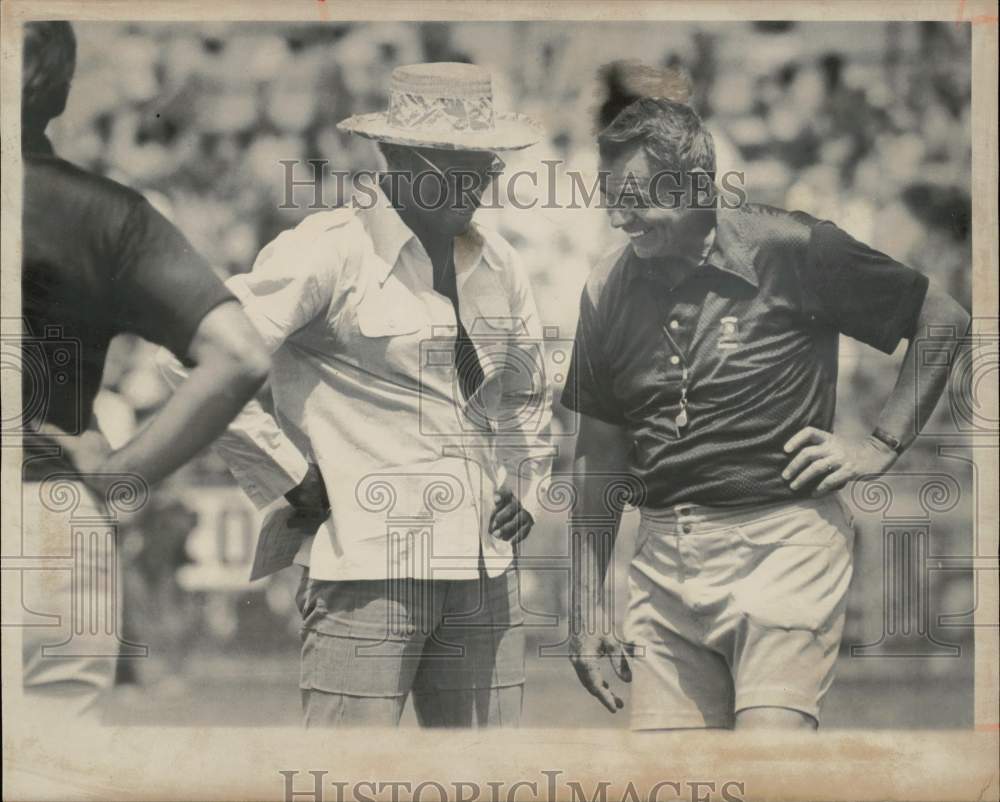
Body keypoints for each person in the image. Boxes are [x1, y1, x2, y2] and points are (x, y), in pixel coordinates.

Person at [160, 62, 552, 727]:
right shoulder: (330, 252)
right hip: (368, 570)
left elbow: (528, 390)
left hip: (486, 574)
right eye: (456, 164)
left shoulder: (500, 260)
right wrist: (288, 477)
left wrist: (528, 482)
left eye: (486, 164)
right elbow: (194, 355)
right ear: (396, 158)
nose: (479, 183)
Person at [563, 97, 970, 731]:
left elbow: (941, 319)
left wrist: (880, 445)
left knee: (766, 770)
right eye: (607, 195)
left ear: (696, 188)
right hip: (664, 558)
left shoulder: (792, 247)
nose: (618, 217)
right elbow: (599, 454)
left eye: (635, 197)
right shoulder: (605, 287)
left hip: (785, 544)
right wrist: (587, 609)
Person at [16, 21, 271, 721]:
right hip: (44, 508)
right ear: (59, 91)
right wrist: (116, 477)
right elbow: (241, 355)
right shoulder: (110, 215)